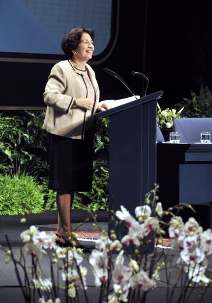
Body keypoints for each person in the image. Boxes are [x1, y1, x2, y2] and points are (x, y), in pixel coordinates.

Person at [43, 27, 109, 246]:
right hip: (64, 134)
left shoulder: (90, 71)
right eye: (86, 42)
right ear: (73, 47)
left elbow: (91, 99)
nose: (91, 46)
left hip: (83, 134)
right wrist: (75, 102)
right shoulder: (62, 68)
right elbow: (49, 95)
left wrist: (101, 107)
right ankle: (66, 233)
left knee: (72, 184)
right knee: (65, 184)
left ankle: (62, 232)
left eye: (92, 42)